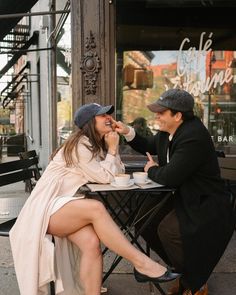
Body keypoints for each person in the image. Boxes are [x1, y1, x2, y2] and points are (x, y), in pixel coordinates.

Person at [9, 103, 179, 295]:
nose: (108, 117)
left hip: (66, 207)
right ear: (90, 122)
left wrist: (111, 149)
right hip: (44, 209)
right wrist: (113, 150)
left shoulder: (95, 145)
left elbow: (116, 173)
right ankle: (142, 263)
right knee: (96, 208)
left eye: (108, 114)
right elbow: (107, 177)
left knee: (91, 244)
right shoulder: (80, 145)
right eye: (102, 115)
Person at [113, 89, 235, 295]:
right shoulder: (167, 132)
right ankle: (185, 274)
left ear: (177, 115)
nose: (157, 116)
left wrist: (151, 169)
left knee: (168, 230)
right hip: (182, 196)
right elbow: (147, 145)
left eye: (162, 112)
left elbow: (170, 176)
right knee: (144, 222)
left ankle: (196, 283)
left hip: (205, 202)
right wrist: (127, 131)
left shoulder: (193, 136)